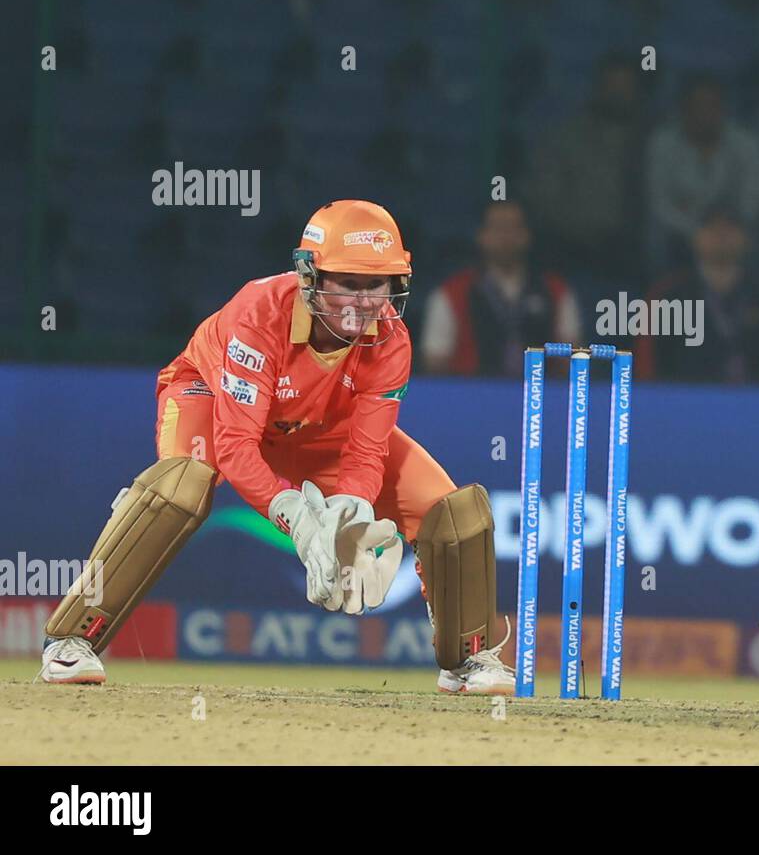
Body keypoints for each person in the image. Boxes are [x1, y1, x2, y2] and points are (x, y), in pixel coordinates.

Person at [38, 200, 514, 695]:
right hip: (211, 396)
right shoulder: (259, 314)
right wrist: (299, 520)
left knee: (453, 513)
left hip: (319, 427)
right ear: (310, 275)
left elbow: (366, 451)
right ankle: (70, 642)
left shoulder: (391, 339)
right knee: (181, 485)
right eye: (346, 282)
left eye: (376, 285)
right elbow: (237, 444)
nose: (364, 301)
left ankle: (466, 660)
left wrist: (346, 516)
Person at [419, 199, 581, 375]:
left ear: (527, 235)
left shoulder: (556, 291)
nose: (506, 236)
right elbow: (435, 364)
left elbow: (573, 359)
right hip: (471, 396)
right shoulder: (450, 293)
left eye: (513, 227)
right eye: (498, 228)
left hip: (540, 395)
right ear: (481, 235)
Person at [528, 51, 649, 285]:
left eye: (625, 86)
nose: (618, 93)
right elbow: (543, 197)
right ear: (598, 88)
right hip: (569, 241)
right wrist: (582, 229)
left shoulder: (654, 140)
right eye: (612, 85)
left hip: (627, 248)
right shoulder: (565, 136)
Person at [637, 206, 759, 383]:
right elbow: (646, 364)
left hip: (754, 403)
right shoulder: (667, 295)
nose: (721, 235)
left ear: (747, 239)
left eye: (730, 228)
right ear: (695, 238)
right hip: (684, 402)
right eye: (711, 228)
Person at [646, 72, 759, 273]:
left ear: (723, 109)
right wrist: (698, 232)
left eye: (712, 106)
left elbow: (749, 206)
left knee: (750, 241)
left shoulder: (746, 146)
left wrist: (720, 232)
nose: (705, 114)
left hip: (729, 233)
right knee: (656, 237)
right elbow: (659, 205)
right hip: (679, 237)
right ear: (684, 109)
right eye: (697, 106)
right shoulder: (662, 144)